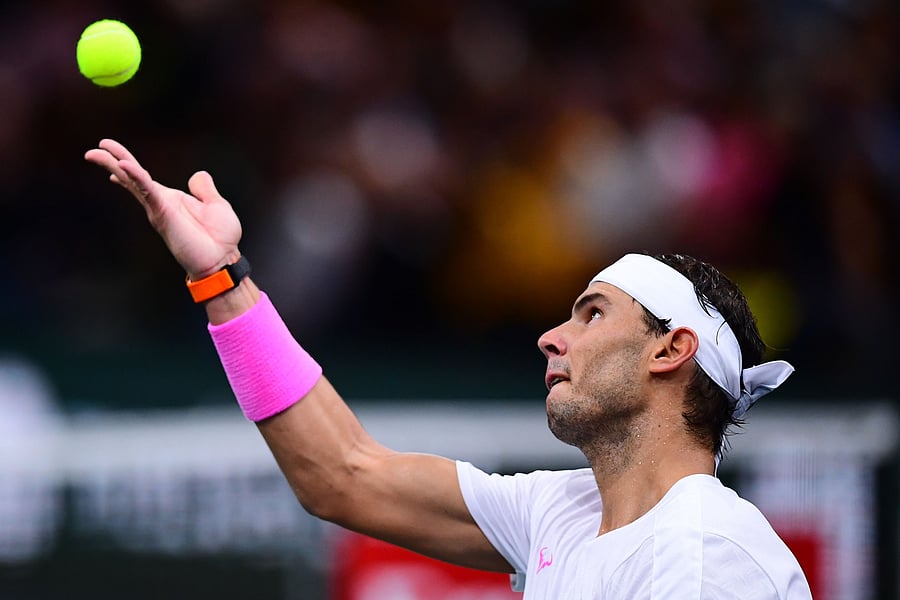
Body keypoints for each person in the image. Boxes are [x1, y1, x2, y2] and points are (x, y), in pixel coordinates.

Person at [85, 138, 813, 599]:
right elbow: (342, 475)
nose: (550, 339)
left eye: (592, 314)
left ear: (670, 350)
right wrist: (220, 278)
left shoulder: (702, 558)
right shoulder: (561, 513)